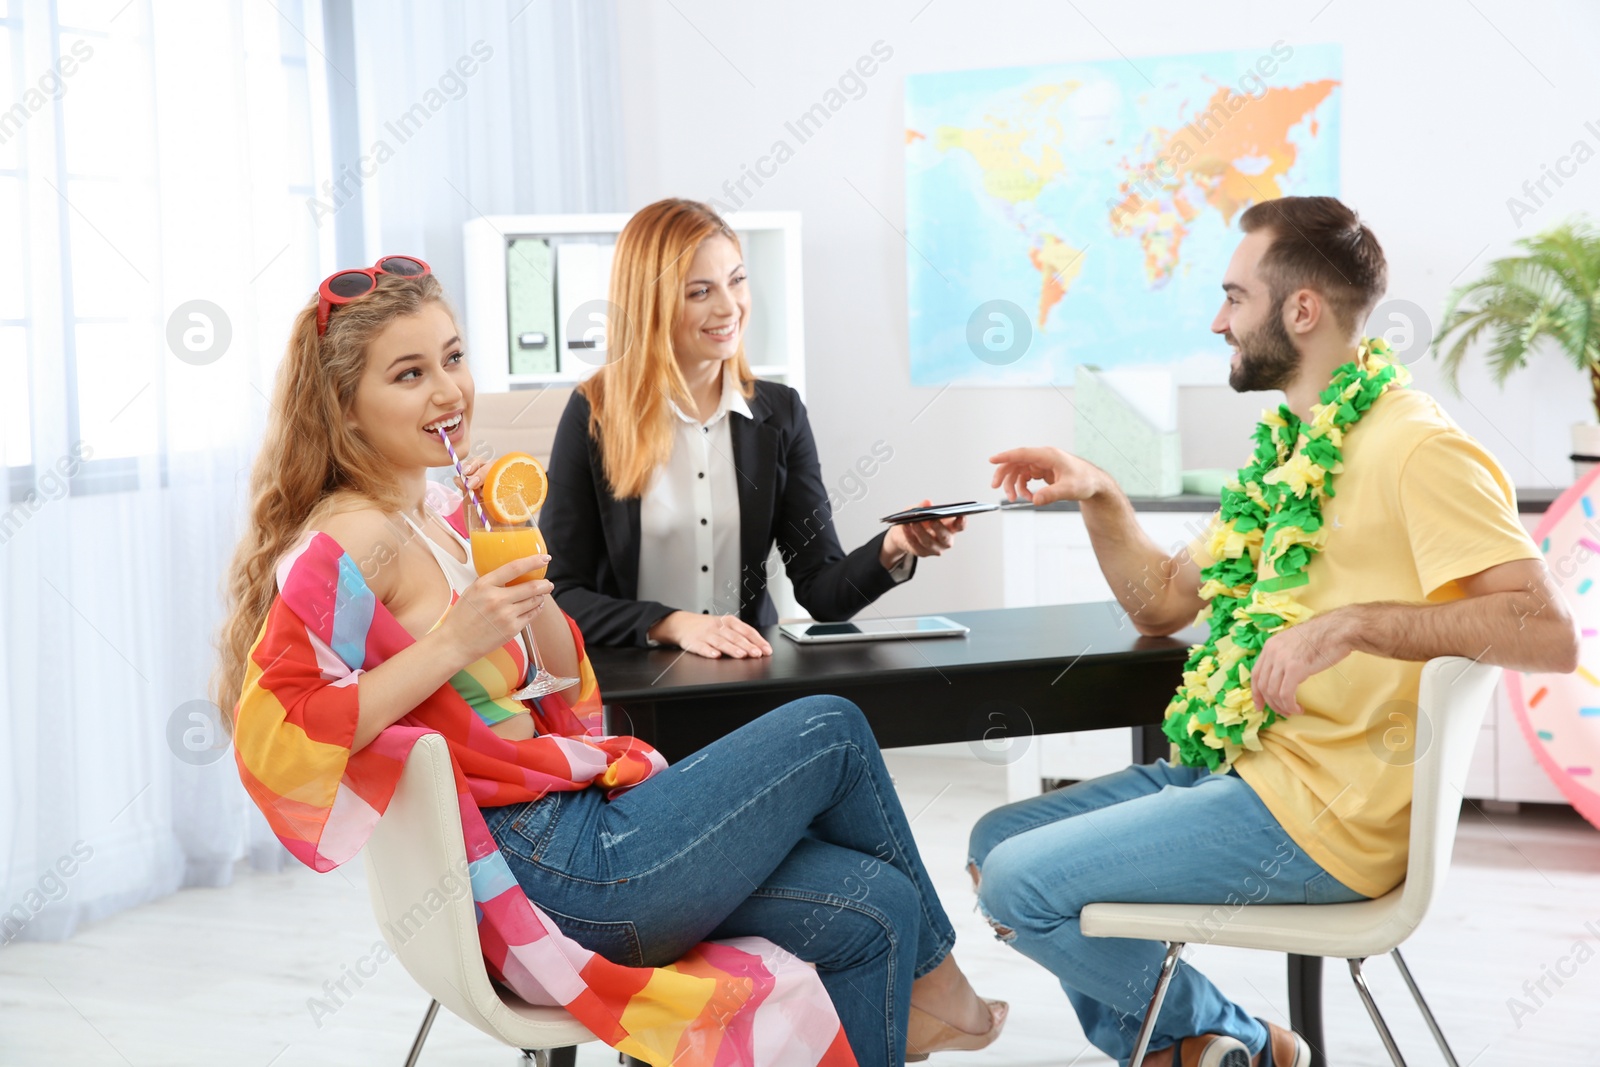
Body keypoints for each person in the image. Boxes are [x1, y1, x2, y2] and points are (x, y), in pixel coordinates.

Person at [216, 258, 1005, 1067]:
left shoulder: (439, 513)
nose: (447, 391)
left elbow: (561, 673)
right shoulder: (354, 537)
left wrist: (526, 562)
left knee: (873, 906)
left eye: (453, 358)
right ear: (343, 408)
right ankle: (940, 982)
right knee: (831, 728)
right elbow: (281, 730)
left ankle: (916, 989)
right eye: (409, 374)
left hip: (575, 829)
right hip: (558, 868)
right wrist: (453, 640)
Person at [971, 196, 1577, 1067]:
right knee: (995, 844)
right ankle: (1203, 1044)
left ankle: (1241, 1044)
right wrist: (1098, 492)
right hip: (1244, 770)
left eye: (1232, 297)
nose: (1218, 321)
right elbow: (1165, 600)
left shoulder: (1416, 446)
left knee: (1024, 882)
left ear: (1301, 309)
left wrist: (1356, 624)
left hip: (1327, 816)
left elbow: (1549, 630)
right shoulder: (1288, 448)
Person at [541, 198, 963, 658]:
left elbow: (822, 592)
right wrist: (673, 625)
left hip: (748, 676)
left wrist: (894, 544)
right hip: (636, 687)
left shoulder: (779, 414)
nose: (730, 307)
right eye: (700, 292)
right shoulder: (594, 413)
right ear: (651, 303)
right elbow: (560, 593)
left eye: (737, 280)